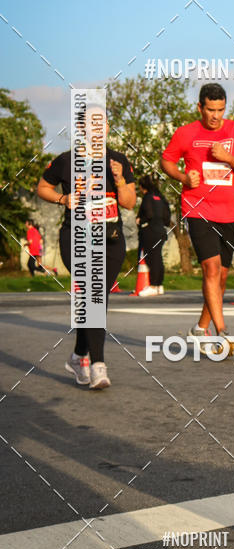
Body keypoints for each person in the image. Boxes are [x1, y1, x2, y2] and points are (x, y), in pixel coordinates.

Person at [36, 108, 136, 389]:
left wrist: (118, 180)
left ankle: (79, 354)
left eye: (101, 123)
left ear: (106, 126)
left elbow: (129, 202)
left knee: (97, 298)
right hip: (76, 237)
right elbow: (42, 187)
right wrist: (61, 198)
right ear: (81, 129)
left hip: (112, 238)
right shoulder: (66, 161)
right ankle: (98, 365)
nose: (97, 129)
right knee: (93, 295)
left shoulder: (117, 160)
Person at [161, 83, 234, 346]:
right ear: (200, 107)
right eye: (210, 110)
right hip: (198, 209)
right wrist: (182, 176)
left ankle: (200, 328)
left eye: (220, 110)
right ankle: (223, 332)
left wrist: (228, 158)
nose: (215, 116)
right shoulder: (185, 133)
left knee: (222, 276)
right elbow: (166, 159)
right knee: (211, 270)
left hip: (230, 213)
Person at [136, 174, 171, 295]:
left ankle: (153, 285)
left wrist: (140, 220)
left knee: (151, 258)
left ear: (142, 187)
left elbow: (148, 213)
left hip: (150, 231)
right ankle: (159, 285)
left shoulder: (147, 197)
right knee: (158, 258)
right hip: (161, 230)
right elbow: (167, 216)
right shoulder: (160, 197)